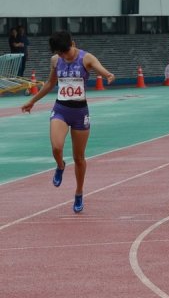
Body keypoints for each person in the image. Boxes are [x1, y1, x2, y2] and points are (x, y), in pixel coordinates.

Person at [20, 31, 115, 213]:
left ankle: (79, 193)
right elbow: (49, 83)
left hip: (80, 113)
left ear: (73, 43)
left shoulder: (86, 58)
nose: (64, 55)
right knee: (56, 147)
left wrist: (108, 75)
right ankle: (60, 165)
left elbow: (100, 68)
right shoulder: (56, 60)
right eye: (61, 53)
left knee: (79, 158)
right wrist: (32, 101)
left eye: (66, 51)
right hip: (61, 110)